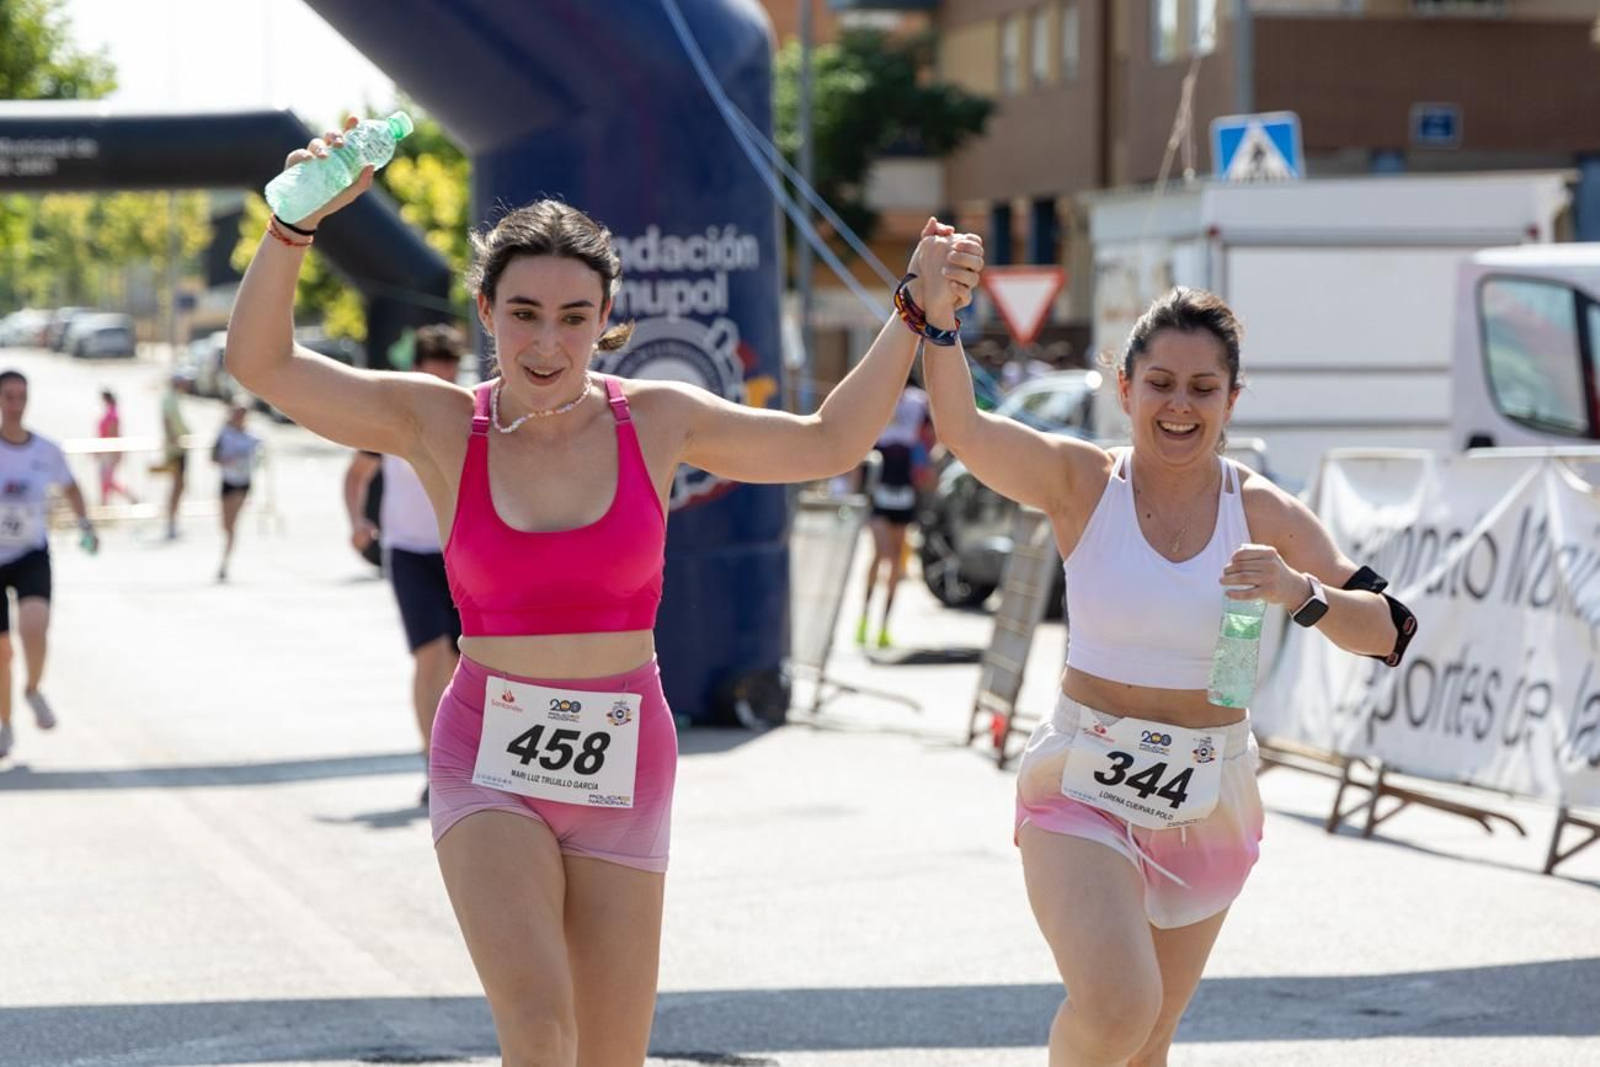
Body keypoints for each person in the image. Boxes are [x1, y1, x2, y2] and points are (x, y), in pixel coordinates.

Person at [225, 117, 982, 1066]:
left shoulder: (657, 420)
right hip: (489, 754)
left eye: (574, 316)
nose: (548, 341)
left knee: (609, 1054)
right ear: (486, 311)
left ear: (607, 317)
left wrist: (911, 307)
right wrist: (293, 230)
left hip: (626, 759)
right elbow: (262, 366)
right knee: (541, 1032)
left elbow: (828, 440)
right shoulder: (435, 422)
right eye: (525, 313)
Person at [922, 287, 1416, 1067]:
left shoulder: (1263, 512)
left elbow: (1392, 629)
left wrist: (1299, 591)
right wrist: (937, 316)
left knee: (1147, 1042)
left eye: (1202, 388)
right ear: (1124, 385)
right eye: (1159, 383)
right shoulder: (1081, 482)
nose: (1179, 407)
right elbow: (963, 429)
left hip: (1208, 793)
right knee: (1119, 1009)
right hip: (1080, 784)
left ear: (1232, 398)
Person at [343, 323, 469, 806]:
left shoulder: (468, 414)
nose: (441, 388)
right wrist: (357, 521)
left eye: (449, 376)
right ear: (414, 370)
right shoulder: (394, 423)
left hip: (461, 553)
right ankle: (432, 764)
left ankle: (465, 762)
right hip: (409, 550)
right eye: (432, 377)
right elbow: (356, 475)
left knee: (465, 661)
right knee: (430, 655)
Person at [0, 370, 98, 760]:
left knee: (34, 628)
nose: (15, 403)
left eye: (21, 396)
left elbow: (71, 487)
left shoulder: (46, 450)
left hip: (30, 554)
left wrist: (86, 525)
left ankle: (33, 689)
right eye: (8, 396)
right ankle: (4, 724)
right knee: (1, 652)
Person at [856, 376, 933, 649]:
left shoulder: (917, 402)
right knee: (881, 555)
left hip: (905, 492)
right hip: (879, 493)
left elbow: (931, 434)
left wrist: (926, 463)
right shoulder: (876, 397)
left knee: (896, 564)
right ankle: (863, 619)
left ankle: (884, 627)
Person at [211, 400, 262, 581]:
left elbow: (260, 460)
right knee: (225, 525)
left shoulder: (253, 437)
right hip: (227, 480)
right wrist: (228, 460)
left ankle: (224, 563)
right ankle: (225, 556)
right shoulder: (224, 434)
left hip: (242, 483)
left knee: (232, 525)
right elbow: (213, 458)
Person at [158, 371, 192, 539]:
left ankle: (173, 521)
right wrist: (173, 439)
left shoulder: (175, 398)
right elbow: (167, 420)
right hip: (175, 449)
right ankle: (170, 522)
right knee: (176, 486)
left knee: (179, 486)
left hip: (179, 448)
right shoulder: (169, 398)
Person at [96, 389, 136, 507]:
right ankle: (106, 503)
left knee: (106, 479)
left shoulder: (112, 414)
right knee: (106, 479)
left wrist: (114, 451)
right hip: (107, 449)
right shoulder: (111, 412)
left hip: (110, 450)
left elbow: (113, 433)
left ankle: (106, 504)